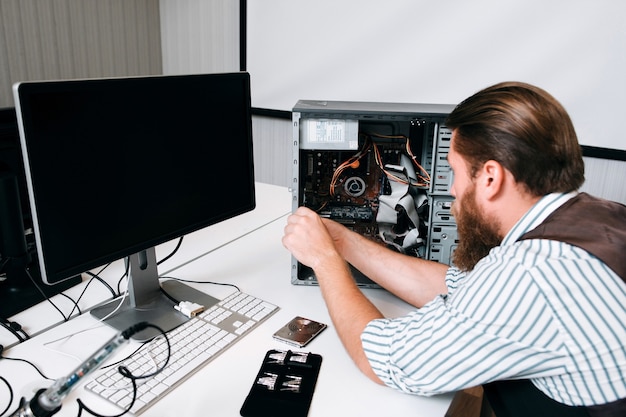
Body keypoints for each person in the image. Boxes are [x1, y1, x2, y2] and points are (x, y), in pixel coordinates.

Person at [282, 81, 626, 416]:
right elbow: (459, 285)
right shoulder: (600, 218)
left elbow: (387, 359)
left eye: (453, 171)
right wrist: (342, 243)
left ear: (490, 178)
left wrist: (325, 261)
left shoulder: (530, 276)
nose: (453, 191)